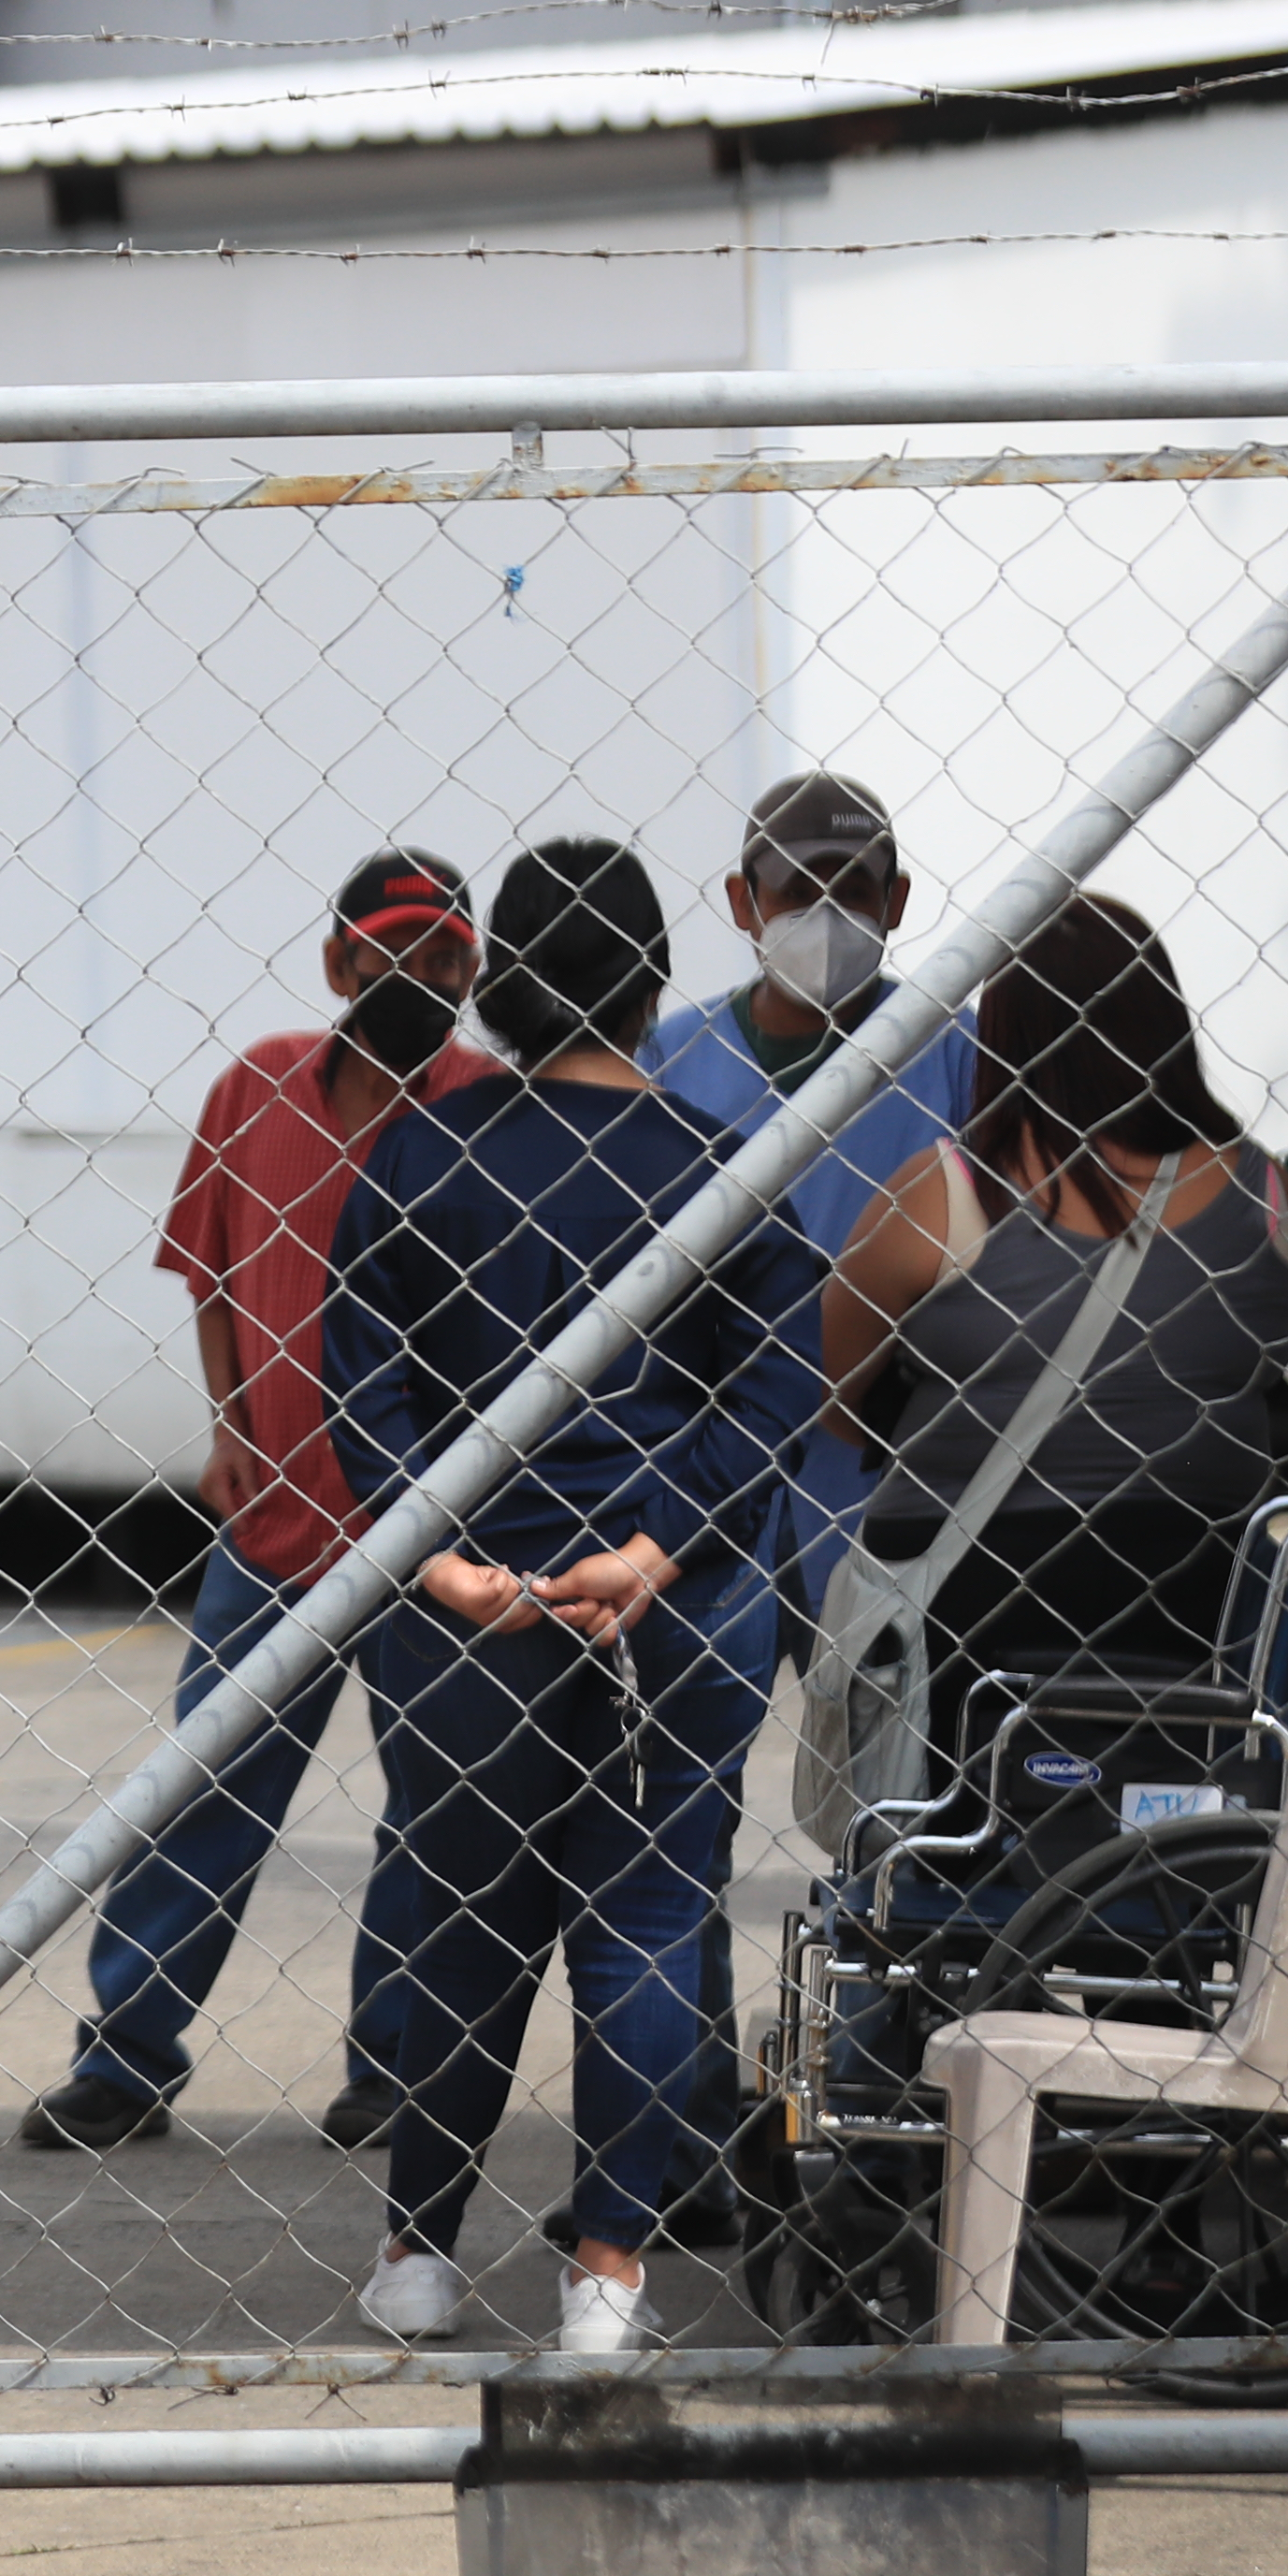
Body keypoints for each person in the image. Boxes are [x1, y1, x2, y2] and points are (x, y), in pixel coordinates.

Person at [322, 837, 820, 2349]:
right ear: (651, 977)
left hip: (468, 1610)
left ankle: (418, 2254)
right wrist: (656, 1543)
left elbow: (365, 1374)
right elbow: (776, 1380)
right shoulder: (711, 1162)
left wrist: (442, 1555)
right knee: (645, 1921)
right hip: (665, 1608)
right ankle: (605, 2275)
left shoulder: (421, 1151)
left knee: (467, 1919)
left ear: (502, 982)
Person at [25, 851, 499, 2157]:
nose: (425, 980)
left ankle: (392, 2065)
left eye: (449, 958)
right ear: (341, 965)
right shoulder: (256, 1090)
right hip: (279, 1518)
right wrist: (232, 1427)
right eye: (397, 954)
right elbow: (209, 1269)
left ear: (478, 970)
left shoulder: (486, 1104)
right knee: (206, 1788)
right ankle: (126, 2059)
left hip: (432, 1531)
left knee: (434, 1803)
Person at [819, 892, 1288, 1685]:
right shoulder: (1267, 1194)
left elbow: (834, 1395)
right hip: (1202, 1612)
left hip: (965, 1616)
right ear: (1164, 1028)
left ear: (1005, 1041)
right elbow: (1281, 1351)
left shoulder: (943, 1193)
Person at [637, 773, 982, 1624]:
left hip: (889, 1466)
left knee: (882, 1733)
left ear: (895, 901)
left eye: (853, 890)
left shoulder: (951, 1050)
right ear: (743, 902)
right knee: (697, 1735)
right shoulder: (671, 1060)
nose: (825, 918)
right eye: (798, 892)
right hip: (708, 1466)